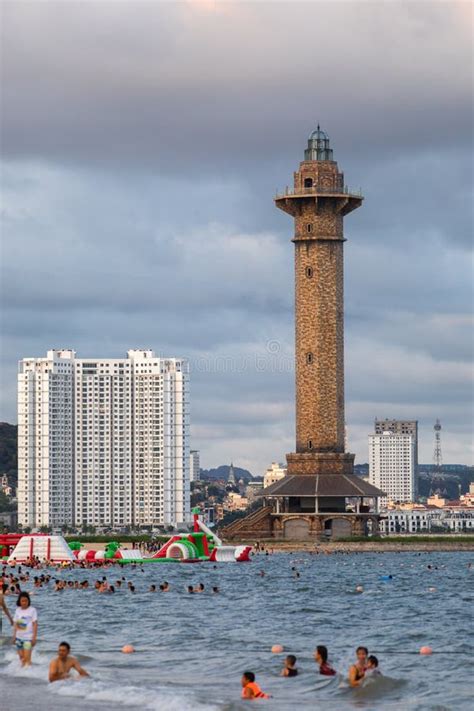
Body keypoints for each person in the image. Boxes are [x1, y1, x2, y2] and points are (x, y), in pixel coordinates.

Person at [12, 591, 38, 667]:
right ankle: (23, 675)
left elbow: (35, 624)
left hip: (28, 638)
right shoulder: (17, 610)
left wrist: (34, 637)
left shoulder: (32, 610)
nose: (24, 602)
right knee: (21, 658)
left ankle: (30, 674)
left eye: (26, 600)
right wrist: (14, 636)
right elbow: (15, 624)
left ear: (28, 601)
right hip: (18, 638)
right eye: (22, 601)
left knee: (27, 658)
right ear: (19, 601)